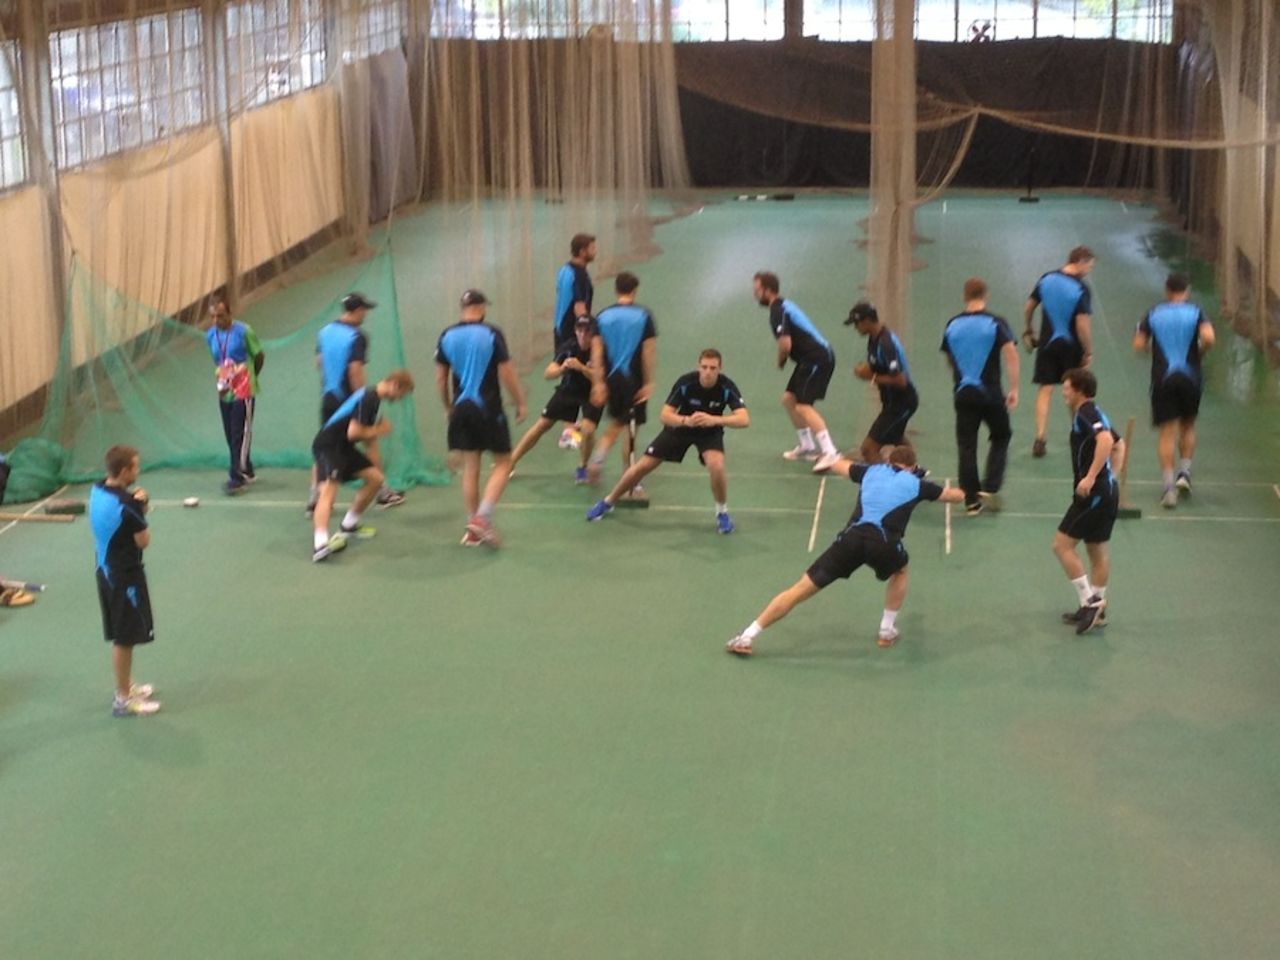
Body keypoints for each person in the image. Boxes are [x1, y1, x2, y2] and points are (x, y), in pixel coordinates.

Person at [725, 445, 963, 655]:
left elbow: (837, 464)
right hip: (883, 543)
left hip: (850, 540)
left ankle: (747, 635)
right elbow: (953, 496)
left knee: (799, 589)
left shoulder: (870, 471)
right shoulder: (918, 484)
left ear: (890, 463)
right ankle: (886, 630)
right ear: (912, 466)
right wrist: (969, 490)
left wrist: (832, 457)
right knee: (900, 571)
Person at [586, 348, 749, 532]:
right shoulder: (686, 383)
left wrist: (714, 420)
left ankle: (722, 512)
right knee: (643, 466)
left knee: (717, 465)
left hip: (709, 431)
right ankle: (608, 502)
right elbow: (665, 415)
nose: (708, 372)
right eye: (704, 367)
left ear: (720, 369)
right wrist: (686, 420)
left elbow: (744, 419)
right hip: (680, 428)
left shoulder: (726, 387)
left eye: (713, 368)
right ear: (699, 366)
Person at [435, 289, 527, 547]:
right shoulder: (491, 334)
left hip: (460, 408)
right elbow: (507, 372)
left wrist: (447, 407)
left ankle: (472, 528)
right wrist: (520, 401)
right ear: (481, 307)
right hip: (487, 407)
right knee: (503, 463)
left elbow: (440, 378)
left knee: (470, 467)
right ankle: (483, 518)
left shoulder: (447, 335)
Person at [308, 292, 405, 515]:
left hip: (328, 397)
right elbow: (355, 370)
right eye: (364, 310)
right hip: (348, 401)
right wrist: (363, 397)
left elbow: (319, 362)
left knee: (325, 445)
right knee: (370, 439)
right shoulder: (357, 336)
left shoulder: (325, 332)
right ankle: (382, 491)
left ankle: (314, 498)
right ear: (358, 310)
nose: (366, 314)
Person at [311, 370, 415, 562]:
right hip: (329, 446)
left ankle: (349, 525)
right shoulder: (369, 398)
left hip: (343, 448)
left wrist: (374, 436)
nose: (399, 399)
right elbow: (354, 433)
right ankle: (320, 544)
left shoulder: (372, 399)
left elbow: (364, 438)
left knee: (375, 479)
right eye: (402, 394)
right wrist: (380, 430)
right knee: (328, 492)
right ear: (395, 385)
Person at [1132, 272, 1215, 508]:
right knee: (1188, 424)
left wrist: (1154, 354)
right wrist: (1200, 353)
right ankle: (1184, 473)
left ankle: (1168, 488)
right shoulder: (1197, 312)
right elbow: (1209, 338)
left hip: (1163, 379)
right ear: (1187, 291)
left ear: (1167, 291)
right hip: (1191, 377)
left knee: (1167, 432)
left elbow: (1138, 345)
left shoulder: (1153, 314)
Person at [89, 445, 160, 717]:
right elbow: (144, 540)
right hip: (124, 576)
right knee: (125, 637)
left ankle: (126, 685)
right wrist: (140, 507)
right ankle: (122, 699)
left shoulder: (98, 490)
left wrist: (135, 502)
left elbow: (123, 512)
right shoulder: (128, 506)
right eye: (135, 467)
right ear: (123, 471)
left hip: (104, 570)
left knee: (122, 634)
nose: (138, 471)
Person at [940, 278, 1020, 515]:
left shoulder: (952, 324)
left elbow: (949, 357)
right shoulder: (995, 322)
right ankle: (991, 486)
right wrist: (1014, 388)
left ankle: (971, 500)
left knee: (967, 445)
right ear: (985, 295)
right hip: (991, 394)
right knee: (1001, 434)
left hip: (963, 394)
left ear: (964, 296)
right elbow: (1011, 354)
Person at [1053, 368, 1123, 635]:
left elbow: (1106, 440)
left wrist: (1092, 477)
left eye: (1067, 387)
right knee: (1097, 552)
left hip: (1093, 495)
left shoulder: (1086, 413)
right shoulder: (1097, 413)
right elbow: (1120, 444)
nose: (1064, 391)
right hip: (1106, 492)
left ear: (1080, 389)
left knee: (1061, 545)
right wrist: (1110, 477)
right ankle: (1098, 611)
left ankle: (1089, 603)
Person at [752, 271, 840, 472]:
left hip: (817, 358)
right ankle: (807, 445)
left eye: (757, 290)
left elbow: (785, 344)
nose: (754, 294)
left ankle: (830, 452)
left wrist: (780, 361)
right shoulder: (782, 305)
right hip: (809, 359)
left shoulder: (777, 310)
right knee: (788, 399)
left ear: (767, 290)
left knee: (803, 406)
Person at [509, 316, 601, 483]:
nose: (582, 334)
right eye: (579, 330)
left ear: (593, 333)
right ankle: (511, 462)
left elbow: (601, 378)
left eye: (587, 331)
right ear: (575, 331)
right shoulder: (569, 347)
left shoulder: (599, 350)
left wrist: (581, 368)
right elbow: (548, 373)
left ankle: (582, 466)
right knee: (542, 425)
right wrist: (561, 369)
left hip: (592, 393)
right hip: (569, 390)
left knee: (588, 430)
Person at [1024, 246, 1096, 457]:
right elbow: (1082, 324)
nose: (1089, 270)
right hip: (1071, 347)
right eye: (1089, 266)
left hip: (1047, 344)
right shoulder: (1081, 288)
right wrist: (1088, 351)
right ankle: (1078, 432)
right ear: (1081, 261)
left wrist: (1028, 329)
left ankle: (1040, 438)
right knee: (1076, 390)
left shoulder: (1046, 279)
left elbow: (1029, 306)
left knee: (1045, 389)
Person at [586, 272, 657, 486]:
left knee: (617, 422)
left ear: (616, 290)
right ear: (634, 291)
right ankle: (630, 478)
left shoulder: (602, 316)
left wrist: (598, 383)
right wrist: (648, 382)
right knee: (630, 430)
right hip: (633, 379)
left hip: (611, 379)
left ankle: (598, 461)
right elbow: (648, 352)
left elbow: (596, 352)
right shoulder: (644, 316)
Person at [205, 295, 265, 496]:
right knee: (230, 433)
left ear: (230, 313)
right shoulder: (210, 335)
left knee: (240, 432)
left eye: (220, 316)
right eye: (212, 317)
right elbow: (219, 361)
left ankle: (236, 477)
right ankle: (246, 468)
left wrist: (251, 376)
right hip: (224, 389)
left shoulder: (244, 331)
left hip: (244, 389)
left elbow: (259, 355)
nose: (216, 321)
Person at [845, 301, 919, 464]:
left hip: (901, 403)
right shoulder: (873, 339)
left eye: (856, 323)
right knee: (897, 438)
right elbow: (878, 367)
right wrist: (864, 369)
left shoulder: (886, 344)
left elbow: (900, 380)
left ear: (867, 321)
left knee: (868, 449)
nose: (855, 327)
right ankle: (915, 474)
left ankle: (886, 482)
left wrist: (870, 377)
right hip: (893, 402)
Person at [553, 233, 596, 352]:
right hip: (572, 335)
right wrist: (587, 333)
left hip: (559, 330)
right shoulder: (579, 275)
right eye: (592, 248)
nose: (595, 252)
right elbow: (579, 308)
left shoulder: (564, 269)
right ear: (582, 251)